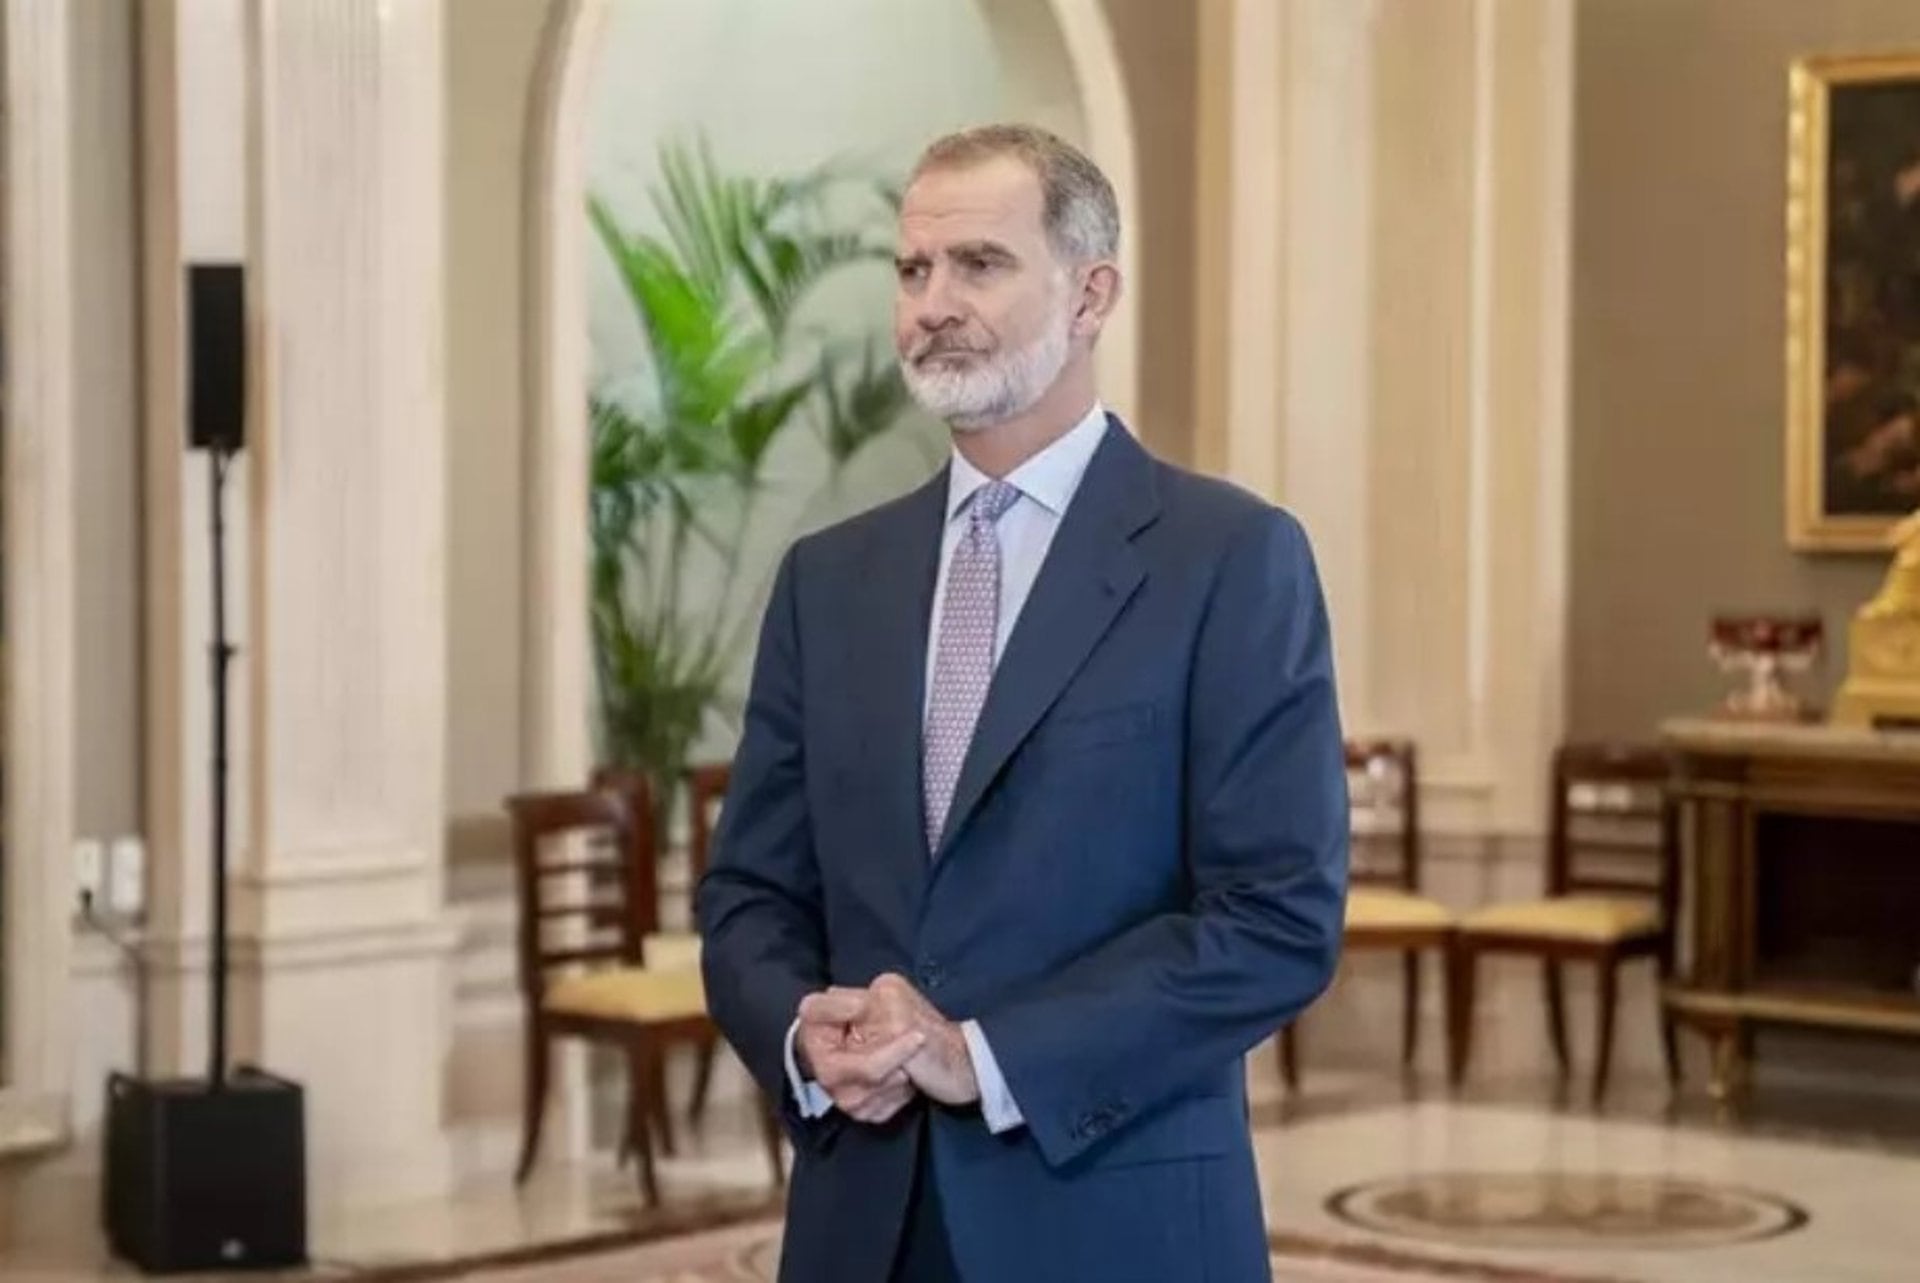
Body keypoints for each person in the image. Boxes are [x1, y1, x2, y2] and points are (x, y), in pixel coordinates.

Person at [695, 123, 1349, 1283]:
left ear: (1091, 294)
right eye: (911, 270)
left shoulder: (1231, 558)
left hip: (1112, 1221)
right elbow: (752, 889)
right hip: (861, 1222)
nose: (932, 302)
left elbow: (1278, 918)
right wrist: (804, 1030)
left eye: (979, 264)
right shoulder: (828, 580)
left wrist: (984, 1055)